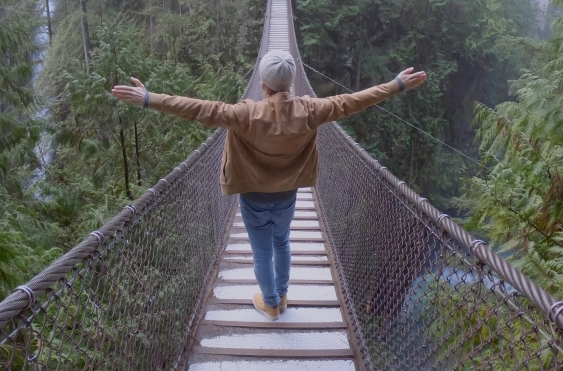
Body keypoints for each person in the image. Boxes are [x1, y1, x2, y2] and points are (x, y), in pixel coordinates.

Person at [111, 51, 426, 320]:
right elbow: (353, 102)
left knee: (261, 251)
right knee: (282, 242)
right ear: (291, 84)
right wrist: (395, 85)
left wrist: (149, 99)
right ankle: (283, 295)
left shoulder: (243, 114)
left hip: (252, 197)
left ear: (262, 85)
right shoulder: (312, 110)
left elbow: (198, 109)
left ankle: (271, 303)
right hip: (288, 194)